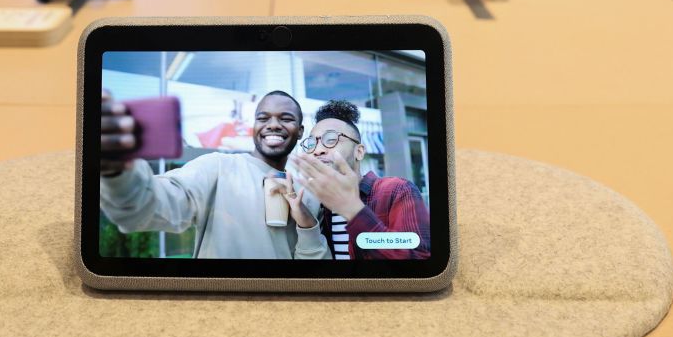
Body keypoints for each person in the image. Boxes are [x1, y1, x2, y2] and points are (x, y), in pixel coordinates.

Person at [100, 89, 329, 260]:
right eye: (263, 118)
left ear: (300, 131)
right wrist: (119, 171)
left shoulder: (307, 195)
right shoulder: (218, 167)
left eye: (286, 118)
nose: (273, 125)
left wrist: (308, 226)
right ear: (254, 127)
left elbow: (315, 274)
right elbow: (152, 206)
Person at [290, 99, 431, 260]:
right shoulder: (319, 205)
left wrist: (353, 210)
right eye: (312, 143)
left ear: (359, 152)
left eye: (330, 139)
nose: (318, 150)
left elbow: (420, 262)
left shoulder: (397, 190)